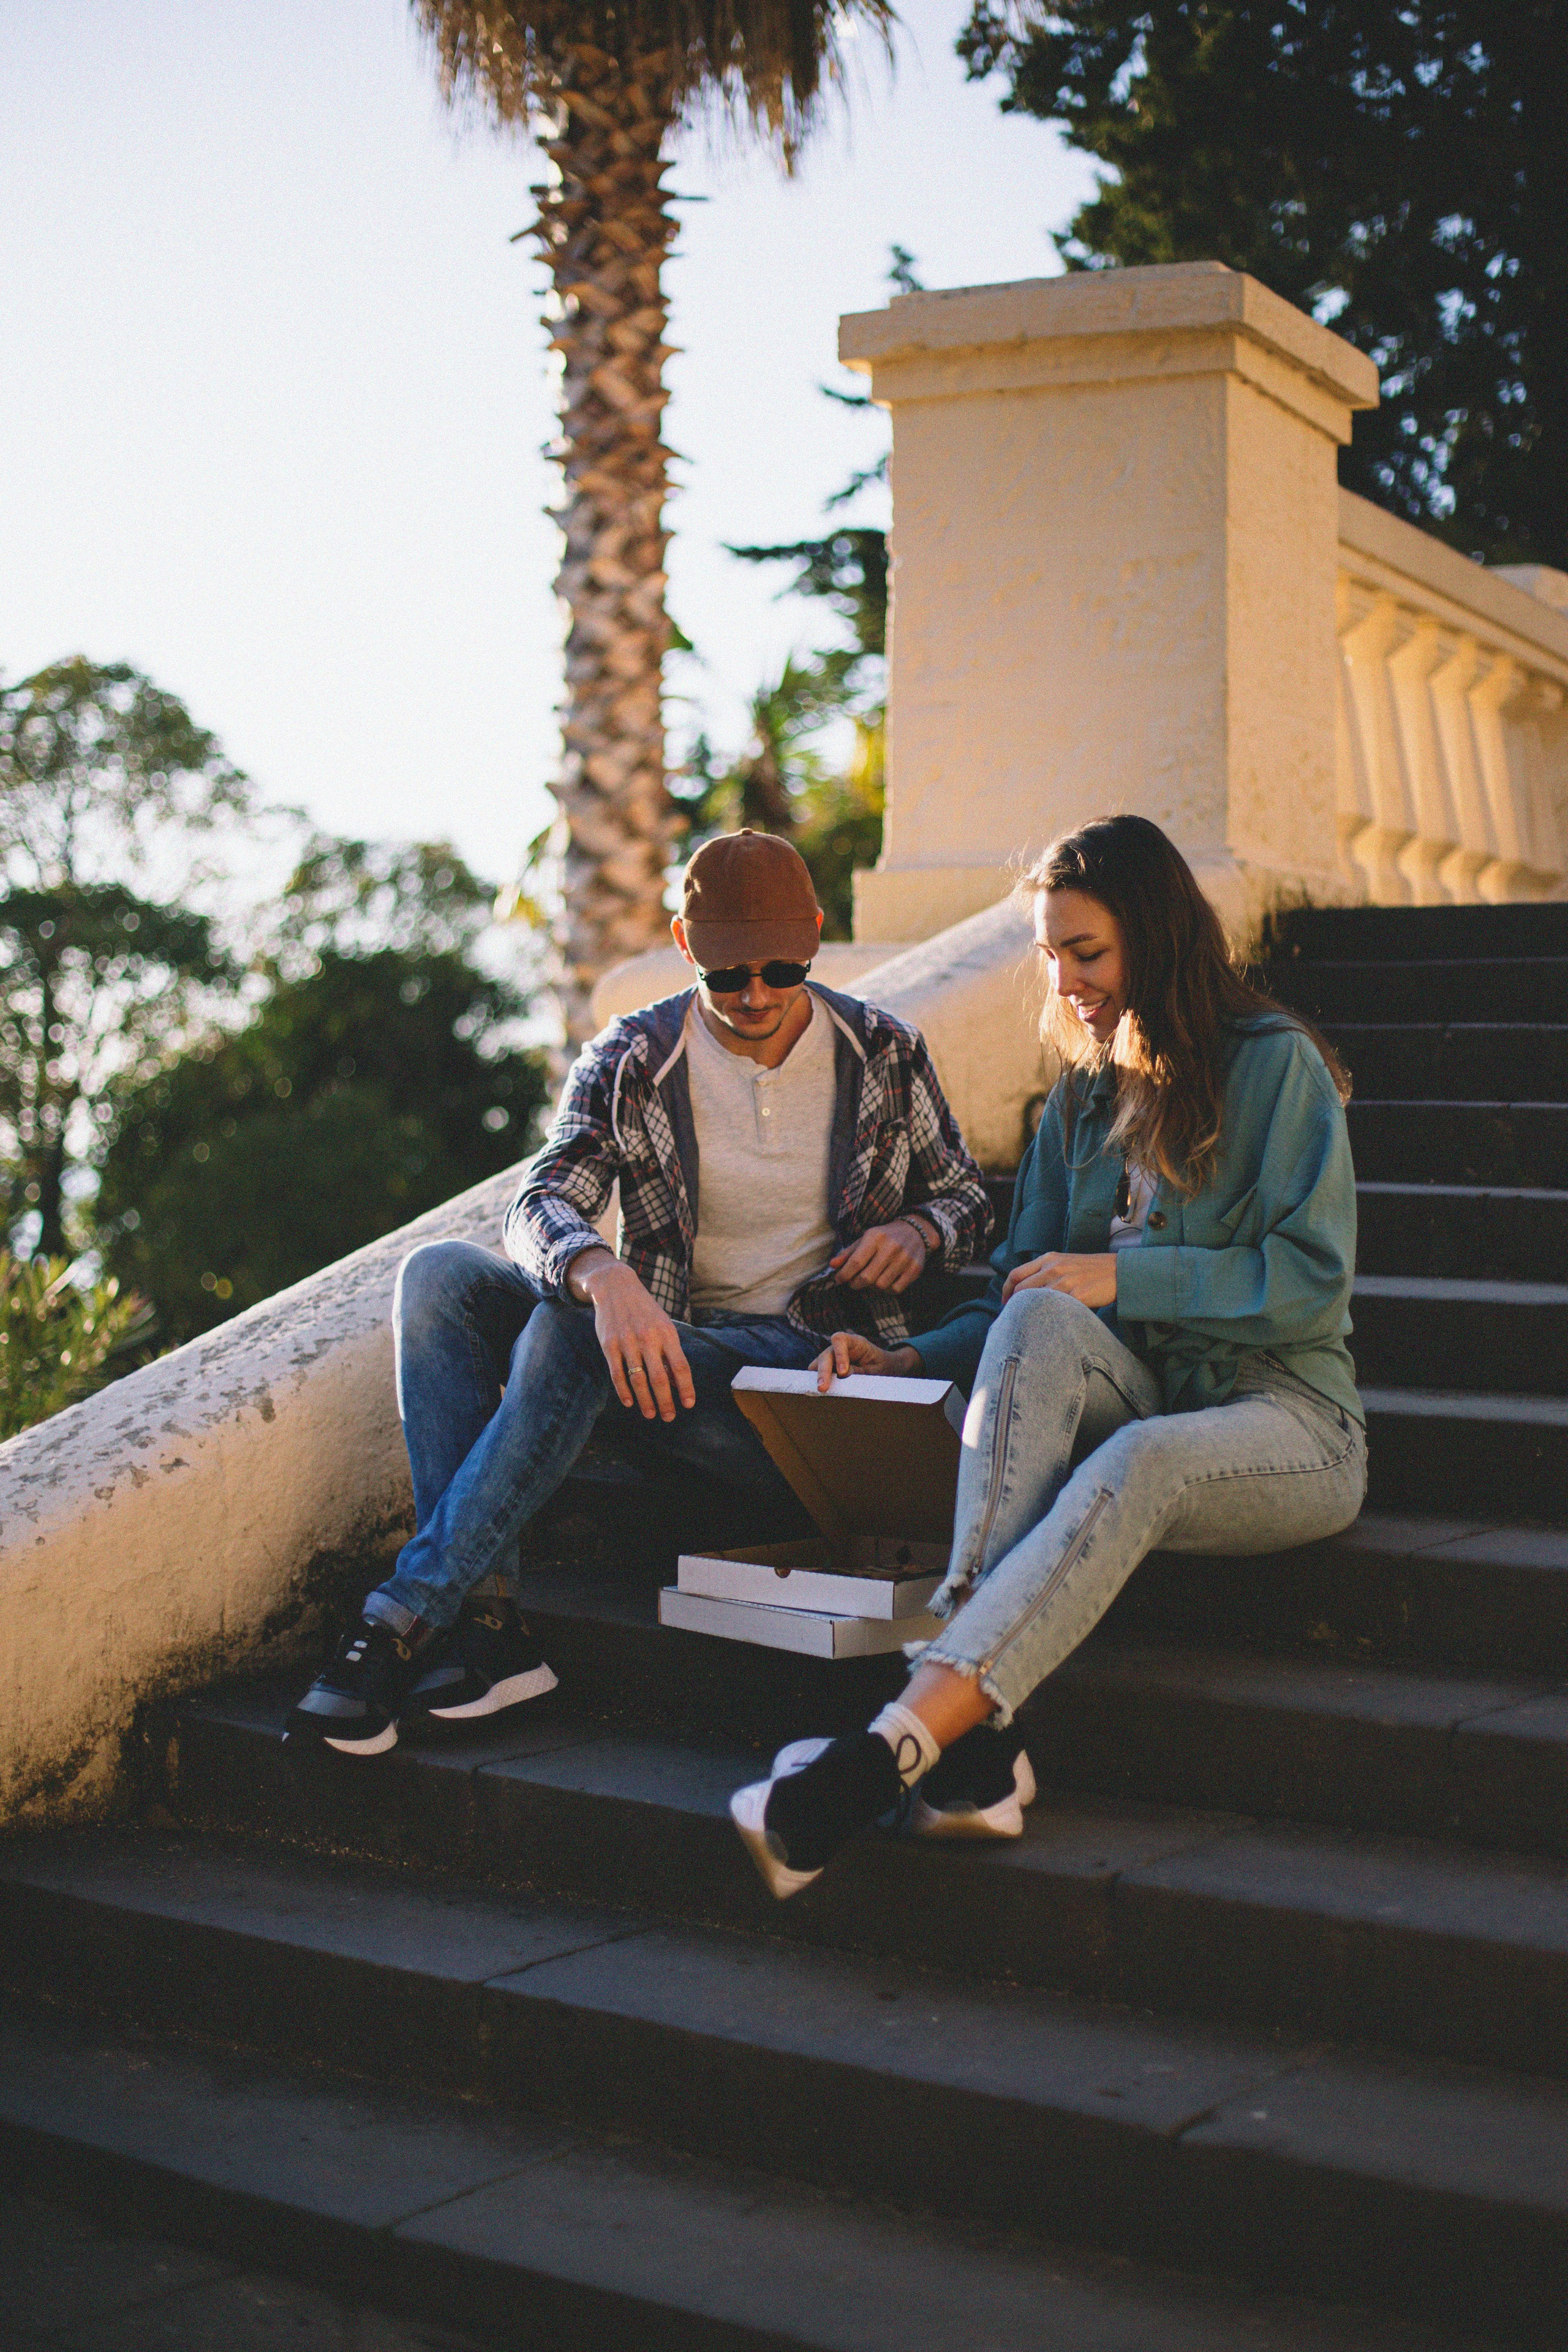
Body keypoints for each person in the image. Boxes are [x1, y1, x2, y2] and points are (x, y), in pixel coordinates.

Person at [731, 813, 1367, 1896]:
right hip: (1147, 1388)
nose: (1068, 983)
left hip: (1287, 1419)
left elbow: (1309, 1280)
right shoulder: (1080, 1096)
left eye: (1090, 954)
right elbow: (1028, 1298)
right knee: (1032, 1314)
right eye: (1051, 955)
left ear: (1158, 941)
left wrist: (1127, 1276)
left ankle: (899, 1741)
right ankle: (960, 1736)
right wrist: (913, 1361)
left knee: (1140, 1462)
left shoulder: (1277, 1069)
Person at [288, 828, 990, 1755]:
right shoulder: (632, 1057)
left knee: (567, 1338)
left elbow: (974, 1202)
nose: (755, 995)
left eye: (783, 968)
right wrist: (601, 1270)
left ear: (818, 935)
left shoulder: (885, 1051)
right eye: (728, 972)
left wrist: (919, 1228)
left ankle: (403, 1615)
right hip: (668, 1362)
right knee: (443, 1280)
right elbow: (540, 1200)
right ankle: (491, 1628)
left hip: (800, 1385)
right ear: (683, 943)